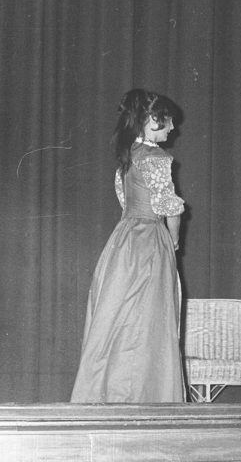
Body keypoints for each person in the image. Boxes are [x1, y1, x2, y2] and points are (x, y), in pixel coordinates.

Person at [71, 88, 186, 403]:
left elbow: (125, 199)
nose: (172, 127)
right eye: (168, 120)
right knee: (148, 321)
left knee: (117, 318)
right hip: (150, 242)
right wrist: (174, 239)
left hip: (123, 242)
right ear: (151, 119)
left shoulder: (129, 154)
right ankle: (145, 397)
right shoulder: (156, 158)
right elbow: (169, 207)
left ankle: (108, 395)